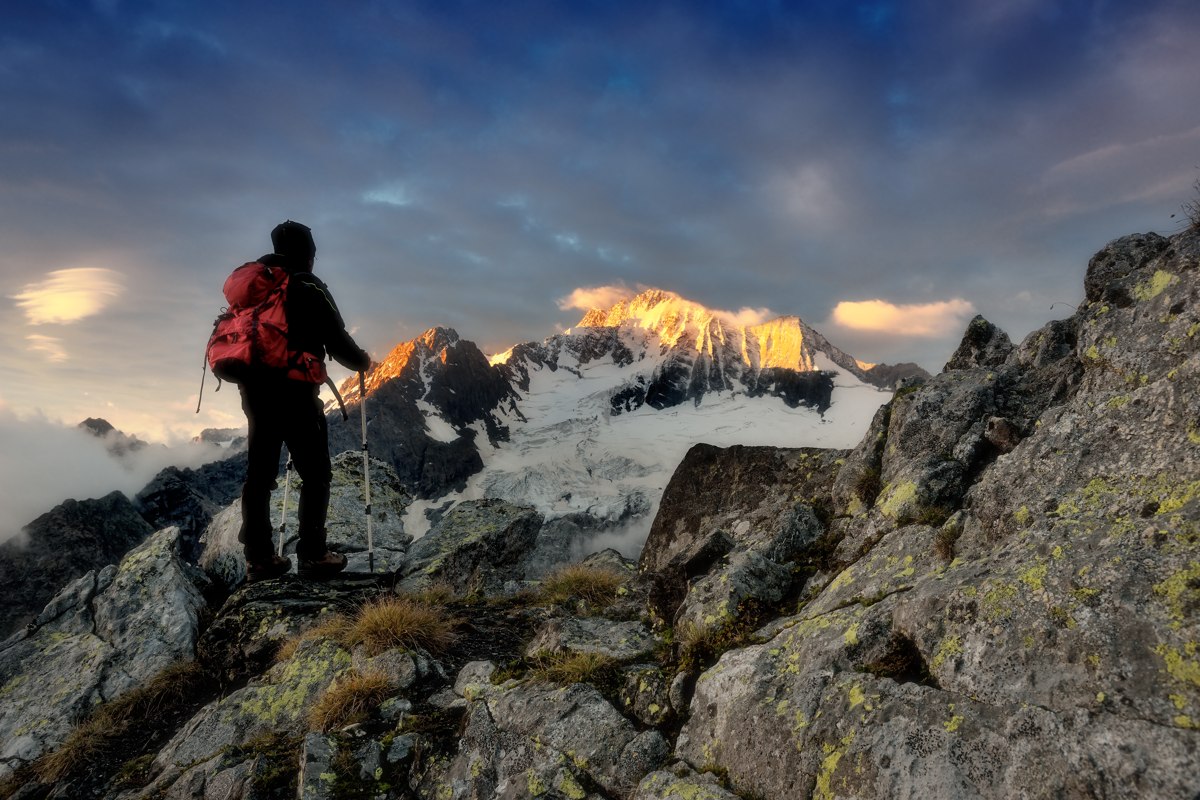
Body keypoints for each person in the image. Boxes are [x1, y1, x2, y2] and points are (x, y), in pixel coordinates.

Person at [239, 220, 371, 582]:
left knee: (259, 475)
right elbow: (338, 342)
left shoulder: (256, 287)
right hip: (296, 394)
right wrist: (363, 361)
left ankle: (259, 558)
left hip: (254, 393)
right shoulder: (310, 286)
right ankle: (313, 554)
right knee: (315, 474)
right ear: (307, 253)